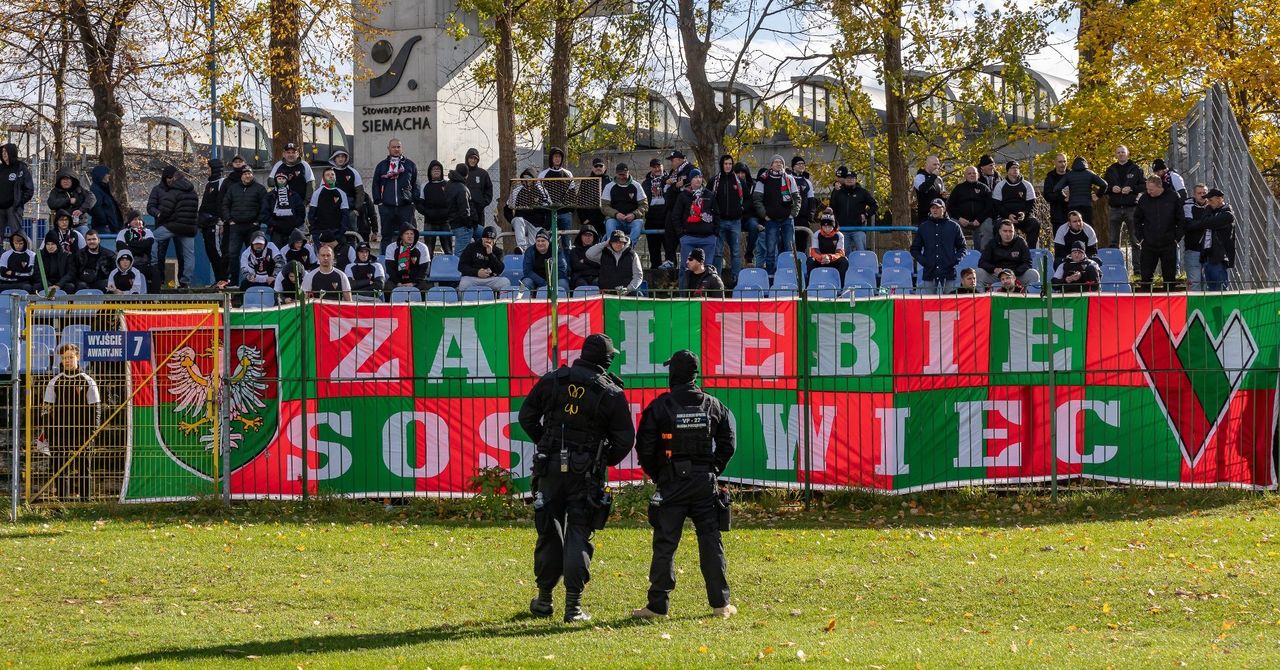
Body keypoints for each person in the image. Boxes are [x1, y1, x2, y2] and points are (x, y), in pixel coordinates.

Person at [517, 333, 635, 623]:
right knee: (579, 533)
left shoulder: (554, 379)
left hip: (549, 467)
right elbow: (625, 439)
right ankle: (573, 606)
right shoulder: (611, 392)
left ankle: (544, 600)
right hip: (585, 472)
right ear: (607, 360)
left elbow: (526, 417)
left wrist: (545, 441)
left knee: (548, 530)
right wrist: (601, 459)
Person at [631, 349, 736, 620]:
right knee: (711, 541)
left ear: (673, 374)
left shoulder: (660, 406)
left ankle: (657, 607)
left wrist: (659, 475)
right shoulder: (713, 405)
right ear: (694, 374)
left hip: (672, 482)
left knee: (665, 543)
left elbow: (644, 446)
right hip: (704, 483)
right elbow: (728, 443)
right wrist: (713, 468)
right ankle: (721, 605)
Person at [40, 344, 102, 501]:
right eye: (64, 358)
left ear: (78, 357)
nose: (67, 360)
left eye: (70, 357)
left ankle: (85, 502)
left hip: (83, 433)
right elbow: (46, 409)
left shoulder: (88, 380)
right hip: (59, 433)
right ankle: (62, 502)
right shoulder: (54, 381)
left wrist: (92, 432)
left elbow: (96, 409)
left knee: (84, 468)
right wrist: (49, 432)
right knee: (60, 469)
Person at [147, 166, 200, 288]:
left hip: (172, 226)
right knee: (188, 255)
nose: (170, 180)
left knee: (152, 238)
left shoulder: (173, 191)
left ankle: (154, 265)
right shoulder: (193, 191)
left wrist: (160, 216)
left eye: (172, 178)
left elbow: (165, 210)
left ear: (175, 179)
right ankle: (186, 281)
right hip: (189, 228)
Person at [751, 155, 801, 275]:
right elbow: (757, 199)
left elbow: (797, 198)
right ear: (771, 165)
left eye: (781, 162)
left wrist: (793, 214)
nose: (778, 164)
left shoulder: (789, 178)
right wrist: (764, 215)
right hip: (771, 220)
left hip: (787, 220)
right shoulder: (763, 179)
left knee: (790, 250)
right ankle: (771, 276)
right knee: (770, 251)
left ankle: (790, 275)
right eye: (776, 162)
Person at [1133, 175, 1183, 292]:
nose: (1148, 192)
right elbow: (1137, 220)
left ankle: (1170, 304)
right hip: (1149, 243)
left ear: (1159, 186)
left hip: (1168, 242)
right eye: (1147, 189)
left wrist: (1177, 238)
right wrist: (1141, 238)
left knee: (1169, 277)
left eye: (1151, 189)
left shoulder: (1173, 197)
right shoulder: (1144, 199)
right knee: (1146, 276)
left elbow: (1181, 219)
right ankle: (1145, 302)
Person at [910, 198, 966, 294]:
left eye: (937, 208)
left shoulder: (954, 226)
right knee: (929, 303)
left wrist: (954, 260)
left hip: (949, 272)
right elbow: (914, 249)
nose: (934, 210)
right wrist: (924, 261)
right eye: (932, 208)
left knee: (949, 303)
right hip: (929, 272)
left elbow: (962, 247)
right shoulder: (923, 227)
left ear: (944, 209)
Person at [221, 167, 266, 281]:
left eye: (249, 173)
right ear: (241, 176)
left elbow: (264, 206)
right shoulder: (233, 188)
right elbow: (225, 204)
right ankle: (234, 281)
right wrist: (229, 220)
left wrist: (258, 221)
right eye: (245, 174)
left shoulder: (260, 189)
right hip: (236, 226)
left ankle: (256, 279)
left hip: (253, 227)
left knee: (255, 254)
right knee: (233, 254)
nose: (247, 176)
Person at [1184, 188, 1234, 291]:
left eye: (1211, 200)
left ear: (1219, 199)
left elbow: (1205, 222)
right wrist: (1209, 210)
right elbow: (1204, 221)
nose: (1209, 203)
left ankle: (1222, 307)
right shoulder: (1212, 211)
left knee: (1219, 289)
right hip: (1208, 255)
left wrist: (1207, 211)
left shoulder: (1227, 214)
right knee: (1210, 289)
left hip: (1219, 256)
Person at [372, 138, 419, 243]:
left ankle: (407, 259)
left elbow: (415, 183)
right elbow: (376, 184)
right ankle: (386, 258)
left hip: (405, 206)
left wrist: (413, 200)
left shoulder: (410, 165)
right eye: (393, 147)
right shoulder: (382, 165)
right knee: (386, 236)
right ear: (388, 148)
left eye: (398, 147)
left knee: (408, 236)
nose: (396, 149)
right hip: (387, 207)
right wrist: (378, 201)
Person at [709, 155, 748, 283]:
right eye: (725, 163)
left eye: (730, 164)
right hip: (719, 222)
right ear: (722, 164)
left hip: (735, 222)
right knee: (718, 253)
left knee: (736, 252)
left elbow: (748, 200)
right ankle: (717, 280)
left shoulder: (739, 182)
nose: (728, 166)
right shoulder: (714, 181)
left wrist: (741, 209)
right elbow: (708, 199)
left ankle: (736, 279)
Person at [675, 174, 718, 284]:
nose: (698, 179)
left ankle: (706, 297)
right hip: (688, 238)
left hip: (708, 238)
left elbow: (717, 214)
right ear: (690, 180)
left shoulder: (709, 194)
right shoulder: (683, 195)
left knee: (708, 269)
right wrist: (681, 234)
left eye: (700, 177)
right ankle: (683, 297)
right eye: (695, 177)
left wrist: (715, 233)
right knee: (685, 268)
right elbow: (676, 215)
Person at [660, 150, 699, 269]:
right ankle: (670, 260)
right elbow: (666, 183)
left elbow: (692, 184)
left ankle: (689, 262)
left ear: (680, 159)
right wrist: (669, 183)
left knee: (684, 235)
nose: (671, 162)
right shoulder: (673, 171)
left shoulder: (690, 168)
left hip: (685, 209)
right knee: (669, 235)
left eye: (673, 160)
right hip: (672, 208)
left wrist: (678, 185)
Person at [976, 219, 1038, 290]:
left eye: (1010, 231)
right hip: (997, 275)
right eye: (1005, 231)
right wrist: (994, 269)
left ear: (1014, 232)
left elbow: (1027, 263)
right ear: (1000, 232)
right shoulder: (992, 243)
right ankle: (981, 300)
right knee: (978, 273)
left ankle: (1028, 299)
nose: (1008, 234)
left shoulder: (1021, 242)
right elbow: (982, 262)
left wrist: (1014, 272)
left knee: (1033, 274)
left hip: (1016, 274)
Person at [1103, 146, 1144, 251]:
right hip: (1114, 208)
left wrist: (1131, 189)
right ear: (1116, 154)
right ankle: (1115, 266)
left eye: (1123, 152)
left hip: (1132, 208)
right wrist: (1112, 189)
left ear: (1128, 153)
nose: (1121, 154)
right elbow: (1104, 187)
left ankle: (1137, 268)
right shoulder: (1110, 169)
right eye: (1118, 152)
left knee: (1136, 240)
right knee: (1113, 242)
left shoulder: (1136, 168)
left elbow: (1144, 185)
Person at [829, 166, 877, 253]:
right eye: (847, 178)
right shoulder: (838, 192)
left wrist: (866, 215)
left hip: (858, 228)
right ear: (844, 179)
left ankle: (862, 266)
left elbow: (874, 205)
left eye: (852, 178)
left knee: (861, 252)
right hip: (843, 229)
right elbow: (832, 207)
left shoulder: (862, 192)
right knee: (843, 254)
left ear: (855, 180)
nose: (849, 180)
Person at [992, 161, 1039, 247]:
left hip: (1023, 217)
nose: (1015, 170)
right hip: (1005, 217)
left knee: (1034, 223)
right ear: (1007, 170)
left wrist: (1024, 213)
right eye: (1013, 168)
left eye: (1017, 168)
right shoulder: (1000, 186)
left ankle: (1030, 252)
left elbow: (1031, 204)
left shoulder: (1027, 185)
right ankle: (1000, 251)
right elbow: (997, 205)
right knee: (997, 226)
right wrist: (1008, 215)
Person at [601, 163, 648, 250]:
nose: (622, 177)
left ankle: (628, 249)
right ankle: (612, 249)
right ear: (616, 174)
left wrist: (634, 214)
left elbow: (644, 205)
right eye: (620, 174)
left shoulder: (637, 185)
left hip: (633, 220)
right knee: (610, 223)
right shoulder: (609, 187)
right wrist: (616, 214)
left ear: (628, 173)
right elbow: (604, 207)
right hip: (615, 220)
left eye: (624, 174)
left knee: (638, 223)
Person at [948, 166, 994, 251]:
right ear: (965, 175)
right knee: (951, 226)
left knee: (988, 226)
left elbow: (989, 207)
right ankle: (955, 254)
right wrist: (959, 218)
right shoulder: (958, 188)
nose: (972, 175)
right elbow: (950, 206)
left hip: (980, 220)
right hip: (961, 220)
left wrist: (979, 219)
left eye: (974, 173)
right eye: (969, 173)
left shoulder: (984, 188)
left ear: (978, 175)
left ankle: (985, 255)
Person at [328, 149, 371, 241]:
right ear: (334, 158)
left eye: (342, 156)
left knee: (352, 235)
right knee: (335, 235)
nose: (340, 159)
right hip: (334, 211)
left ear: (346, 158)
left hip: (350, 211)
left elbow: (360, 192)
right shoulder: (329, 172)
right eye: (338, 156)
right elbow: (324, 192)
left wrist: (356, 209)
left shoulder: (353, 172)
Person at [1050, 157, 1106, 226]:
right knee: (1087, 228)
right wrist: (1098, 195)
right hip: (1086, 205)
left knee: (1074, 228)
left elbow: (1056, 188)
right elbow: (1104, 184)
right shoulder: (1090, 174)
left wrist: (1064, 197)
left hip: (1073, 206)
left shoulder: (1069, 175)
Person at [505, 166, 549, 254]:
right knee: (518, 220)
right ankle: (522, 248)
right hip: (522, 224)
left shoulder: (541, 190)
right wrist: (512, 220)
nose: (526, 181)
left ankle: (532, 257)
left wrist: (545, 226)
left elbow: (549, 208)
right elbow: (506, 208)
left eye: (529, 178)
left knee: (534, 248)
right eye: (524, 178)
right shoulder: (516, 190)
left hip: (536, 225)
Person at [587, 229, 644, 296]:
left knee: (640, 296)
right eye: (615, 242)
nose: (618, 244)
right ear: (610, 242)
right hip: (605, 292)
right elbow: (588, 254)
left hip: (628, 292)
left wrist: (628, 289)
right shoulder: (603, 253)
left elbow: (638, 275)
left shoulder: (632, 254)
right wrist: (605, 243)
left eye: (621, 242)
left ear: (624, 242)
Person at [197, 159, 226, 285]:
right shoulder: (209, 184)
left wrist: (222, 220)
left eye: (209, 168)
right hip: (206, 224)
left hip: (216, 223)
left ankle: (223, 279)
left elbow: (223, 202)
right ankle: (217, 279)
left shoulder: (222, 182)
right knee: (210, 252)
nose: (207, 170)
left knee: (217, 251)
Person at [457, 226, 510, 294]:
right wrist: (477, 272)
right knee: (463, 283)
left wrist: (491, 254)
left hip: (490, 279)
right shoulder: (471, 247)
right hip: (473, 278)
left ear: (494, 240)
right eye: (487, 238)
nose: (489, 241)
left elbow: (500, 270)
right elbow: (461, 266)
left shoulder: (498, 251)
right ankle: (463, 304)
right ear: (482, 238)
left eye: (491, 239)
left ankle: (501, 304)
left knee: (505, 282)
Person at [116, 212, 159, 291]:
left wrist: (129, 244)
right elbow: (121, 248)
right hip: (129, 266)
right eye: (134, 219)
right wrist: (140, 248)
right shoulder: (123, 232)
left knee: (155, 272)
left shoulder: (147, 232)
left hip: (145, 264)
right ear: (129, 222)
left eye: (139, 219)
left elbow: (148, 244)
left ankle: (155, 299)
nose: (137, 221)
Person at [417, 160, 454, 254]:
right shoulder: (425, 185)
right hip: (429, 222)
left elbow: (453, 203)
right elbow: (420, 203)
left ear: (441, 171)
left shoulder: (448, 185)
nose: (436, 170)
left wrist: (447, 213)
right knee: (428, 251)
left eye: (438, 169)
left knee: (448, 250)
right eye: (434, 169)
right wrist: (427, 212)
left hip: (445, 222)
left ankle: (450, 267)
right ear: (430, 171)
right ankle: (428, 268)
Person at [262, 172, 306, 250]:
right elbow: (264, 213)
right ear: (275, 180)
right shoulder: (269, 196)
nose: (281, 181)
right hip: (276, 230)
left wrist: (294, 224)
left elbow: (301, 212)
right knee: (277, 253)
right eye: (279, 179)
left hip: (293, 230)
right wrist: (275, 224)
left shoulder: (294, 195)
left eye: (283, 178)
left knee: (293, 252)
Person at [383, 223, 432, 292]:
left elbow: (424, 269)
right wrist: (398, 283)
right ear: (401, 236)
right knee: (387, 287)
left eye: (412, 234)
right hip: (397, 281)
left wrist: (413, 283)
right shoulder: (391, 247)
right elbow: (390, 269)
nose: (410, 236)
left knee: (426, 286)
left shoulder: (422, 247)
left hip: (415, 281)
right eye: (407, 234)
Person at [538, 147, 576, 234]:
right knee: (548, 237)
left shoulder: (568, 173)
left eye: (559, 157)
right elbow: (540, 192)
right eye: (555, 156)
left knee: (566, 239)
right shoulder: (543, 174)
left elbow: (572, 192)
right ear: (551, 158)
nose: (557, 159)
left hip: (565, 212)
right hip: (549, 212)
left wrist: (570, 210)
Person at [0, 143, 34, 238]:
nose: (4, 154)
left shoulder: (21, 168)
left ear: (12, 152)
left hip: (13, 208)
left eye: (6, 151)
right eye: (2, 151)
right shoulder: (0, 168)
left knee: (17, 234)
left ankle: (24, 252)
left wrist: (18, 202)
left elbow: (29, 189)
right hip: (0, 209)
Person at [308, 167, 353, 238]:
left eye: (332, 174)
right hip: (320, 232)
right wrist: (315, 231)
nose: (331, 176)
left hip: (337, 232)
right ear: (323, 178)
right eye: (328, 175)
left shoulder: (342, 193)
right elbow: (312, 214)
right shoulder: (317, 193)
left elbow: (345, 215)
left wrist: (341, 231)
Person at [47, 167, 96, 232]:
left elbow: (92, 198)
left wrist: (81, 210)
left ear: (72, 180)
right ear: (59, 181)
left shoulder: (80, 190)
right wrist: (68, 201)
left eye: (68, 179)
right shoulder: (55, 192)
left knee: (84, 231)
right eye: (63, 179)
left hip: (80, 224)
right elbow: (51, 203)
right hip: (62, 226)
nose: (65, 181)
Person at [641, 159, 669, 269]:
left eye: (659, 166)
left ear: (662, 166)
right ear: (650, 168)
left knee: (669, 250)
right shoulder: (646, 183)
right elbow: (643, 202)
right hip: (652, 219)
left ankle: (672, 276)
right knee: (654, 251)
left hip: (667, 219)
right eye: (654, 167)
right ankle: (656, 274)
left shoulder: (670, 180)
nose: (657, 169)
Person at [522, 228, 569, 293]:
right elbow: (527, 271)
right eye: (538, 241)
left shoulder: (557, 250)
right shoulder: (530, 251)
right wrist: (543, 283)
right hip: (535, 280)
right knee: (526, 282)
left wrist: (551, 282)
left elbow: (562, 269)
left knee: (562, 283)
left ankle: (561, 302)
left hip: (555, 280)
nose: (540, 243)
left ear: (548, 242)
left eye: (543, 241)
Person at [806, 210, 848, 281]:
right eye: (824, 226)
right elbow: (813, 252)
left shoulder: (839, 235)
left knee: (844, 261)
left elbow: (840, 253)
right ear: (821, 226)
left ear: (834, 226)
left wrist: (830, 257)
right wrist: (822, 258)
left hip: (833, 260)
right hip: (820, 260)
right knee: (810, 260)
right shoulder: (816, 234)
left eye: (829, 226)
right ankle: (811, 283)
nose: (827, 229)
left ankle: (841, 285)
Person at [1183, 184, 1209, 290]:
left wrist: (1198, 224)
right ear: (1194, 194)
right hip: (1193, 249)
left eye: (1204, 193)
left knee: (1207, 284)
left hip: (1209, 250)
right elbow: (1188, 225)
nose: (1202, 195)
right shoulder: (1187, 205)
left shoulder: (1211, 206)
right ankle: (1194, 307)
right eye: (1199, 193)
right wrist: (1206, 223)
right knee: (1195, 283)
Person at [464, 147, 494, 235]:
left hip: (479, 211)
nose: (472, 160)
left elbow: (489, 189)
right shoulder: (462, 172)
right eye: (471, 158)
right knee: (466, 237)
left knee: (480, 237)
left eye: (475, 159)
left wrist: (483, 203)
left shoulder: (483, 173)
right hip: (464, 211)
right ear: (467, 158)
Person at [788, 156, 818, 243]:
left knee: (802, 243)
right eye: (799, 164)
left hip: (803, 218)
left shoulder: (807, 182)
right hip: (790, 216)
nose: (801, 166)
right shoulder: (788, 178)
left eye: (803, 164)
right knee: (789, 243)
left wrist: (810, 216)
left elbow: (811, 200)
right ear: (793, 166)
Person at [447, 163, 475, 252]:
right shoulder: (462, 189)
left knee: (482, 232)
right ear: (466, 175)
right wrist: (469, 224)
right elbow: (465, 210)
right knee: (460, 254)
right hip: (462, 225)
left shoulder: (449, 184)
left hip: (452, 222)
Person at [87, 165, 123, 234]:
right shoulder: (96, 189)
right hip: (103, 227)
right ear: (101, 175)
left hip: (109, 226)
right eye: (107, 174)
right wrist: (105, 222)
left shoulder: (103, 189)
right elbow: (96, 208)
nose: (109, 176)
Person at [578, 158, 610, 235]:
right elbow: (579, 201)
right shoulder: (585, 182)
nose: (598, 168)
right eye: (596, 166)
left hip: (606, 218)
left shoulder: (610, 182)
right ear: (592, 168)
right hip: (590, 220)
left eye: (600, 166)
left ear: (605, 168)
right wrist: (584, 219)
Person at [912, 155, 947, 224]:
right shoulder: (919, 177)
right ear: (927, 165)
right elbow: (923, 189)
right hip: (925, 216)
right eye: (934, 164)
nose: (937, 167)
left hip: (939, 215)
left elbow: (940, 197)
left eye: (938, 164)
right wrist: (933, 176)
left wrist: (944, 197)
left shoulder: (939, 179)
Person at [1042, 153, 1070, 233]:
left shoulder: (1071, 175)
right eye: (1060, 162)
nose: (1063, 164)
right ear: (1055, 162)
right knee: (1059, 243)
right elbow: (1047, 196)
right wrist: (1061, 195)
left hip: (1072, 216)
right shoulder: (1050, 178)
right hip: (1058, 216)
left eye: (1065, 161)